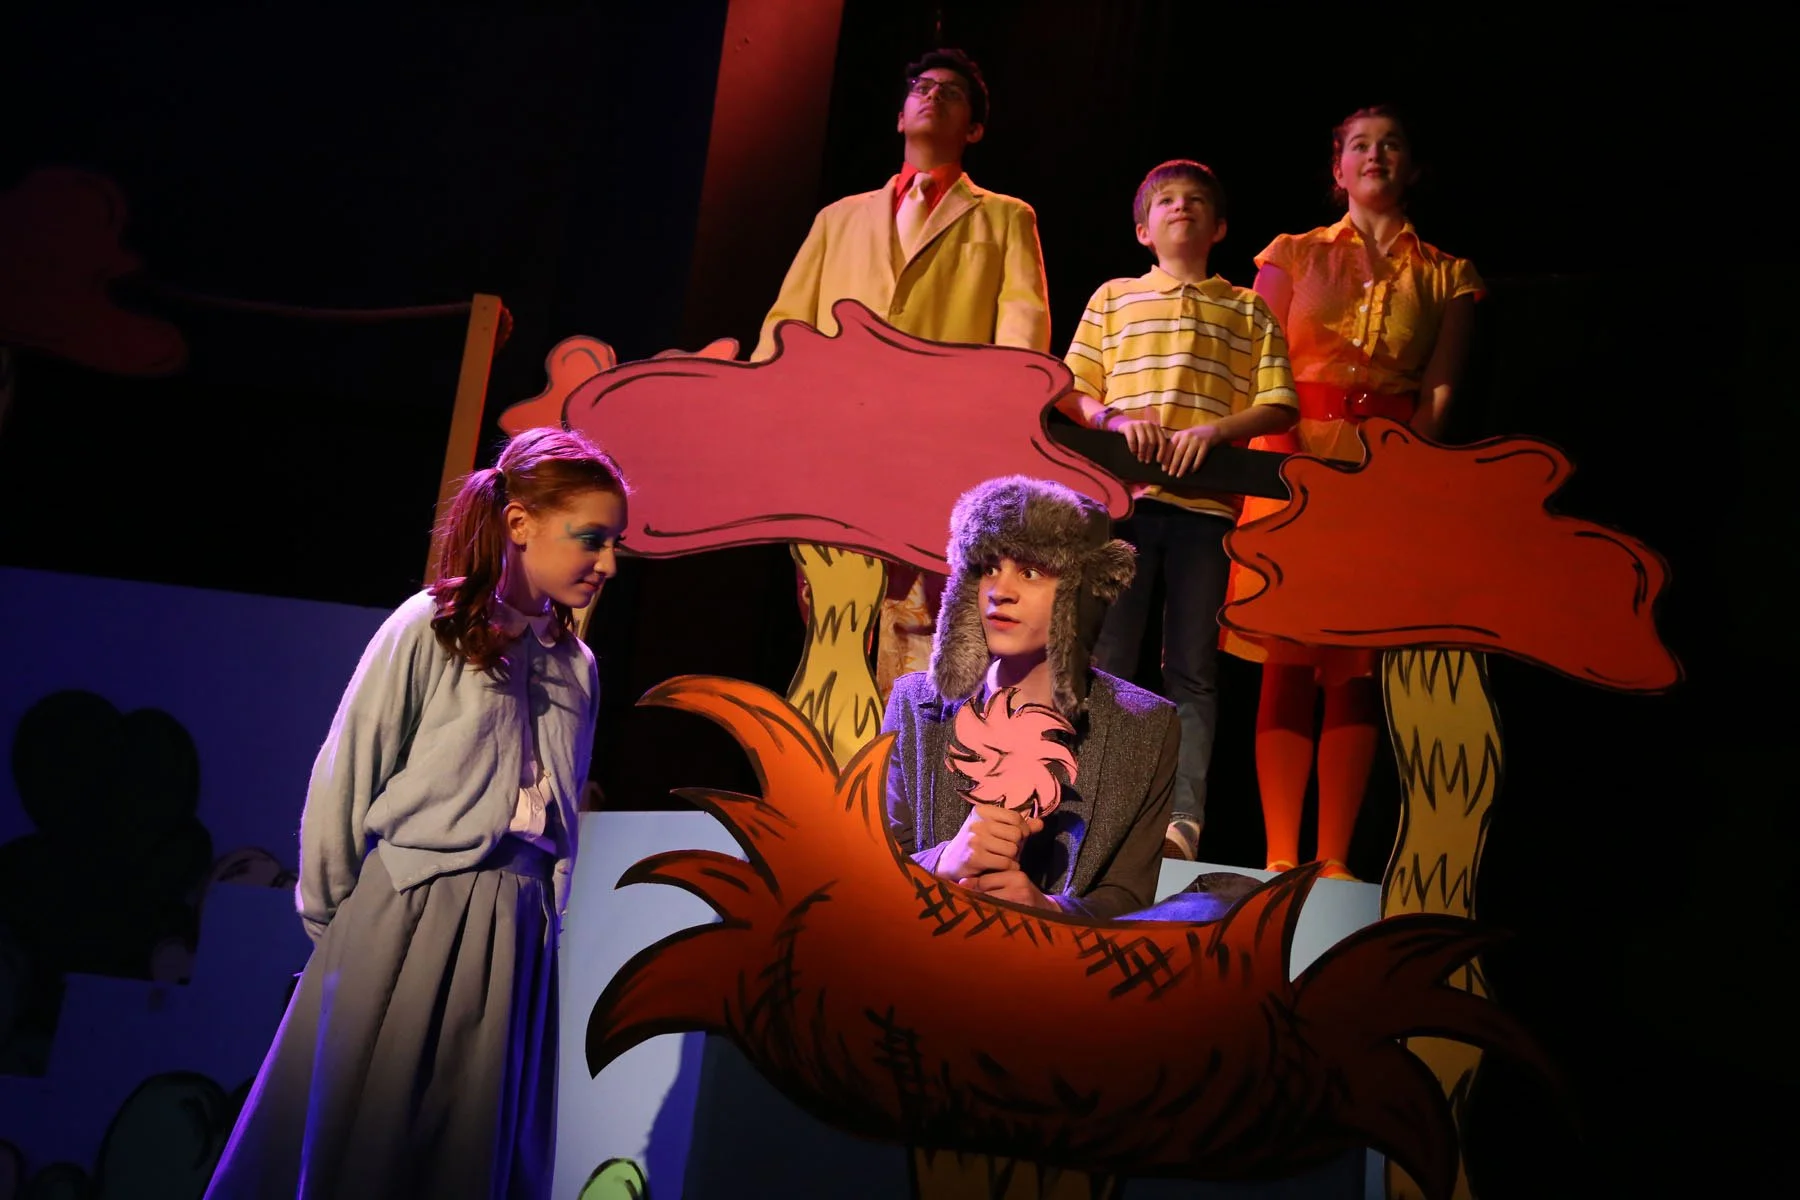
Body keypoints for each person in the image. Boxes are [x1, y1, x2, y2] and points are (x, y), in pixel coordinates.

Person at [205, 426, 628, 1199]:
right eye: (590, 538)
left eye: (613, 544)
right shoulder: (430, 627)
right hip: (414, 909)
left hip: (517, 929)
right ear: (520, 523)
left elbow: (562, 809)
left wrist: (549, 914)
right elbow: (346, 772)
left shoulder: (577, 665)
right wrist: (339, 926)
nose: (606, 562)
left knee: (469, 1151)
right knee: (369, 1140)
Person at [1221, 105, 1484, 880]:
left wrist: (1403, 475)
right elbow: (1258, 366)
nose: (1376, 156)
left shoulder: (1447, 274)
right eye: (1360, 146)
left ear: (1413, 167)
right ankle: (1276, 857)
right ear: (1336, 169)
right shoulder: (1292, 254)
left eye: (1392, 144)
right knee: (1288, 654)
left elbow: (1439, 391)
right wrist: (1285, 464)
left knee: (1358, 663)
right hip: (1287, 460)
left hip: (1386, 472)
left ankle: (1333, 857)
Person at [753, 47, 1052, 705]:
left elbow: (1022, 336)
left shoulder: (1003, 216)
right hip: (837, 440)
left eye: (952, 91)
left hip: (939, 446)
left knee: (926, 613)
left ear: (973, 128)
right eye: (921, 86)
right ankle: (827, 776)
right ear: (899, 115)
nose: (933, 94)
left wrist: (994, 427)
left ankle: (910, 783)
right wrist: (766, 415)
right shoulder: (840, 218)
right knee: (831, 608)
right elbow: (786, 322)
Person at [1056, 159, 1299, 863]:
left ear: (1219, 226)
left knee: (1191, 665)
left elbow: (1278, 398)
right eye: (1166, 201)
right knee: (1111, 659)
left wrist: (1214, 433)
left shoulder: (1246, 306)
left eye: (1197, 201)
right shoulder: (1115, 296)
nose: (1182, 208)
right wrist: (1111, 415)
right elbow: (1073, 386)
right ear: (1143, 228)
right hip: (1125, 505)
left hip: (1206, 511)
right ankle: (1102, 807)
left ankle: (1181, 819)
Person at [882, 475, 1179, 920]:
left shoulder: (1146, 726)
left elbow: (1130, 898)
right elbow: (870, 866)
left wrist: (1046, 909)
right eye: (988, 568)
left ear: (1079, 592)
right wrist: (942, 861)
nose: (1000, 591)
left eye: (1031, 571)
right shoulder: (914, 705)